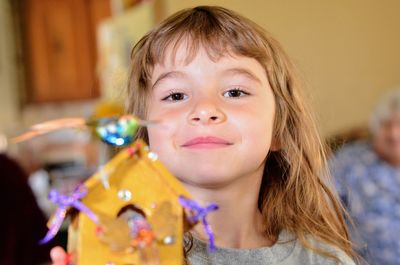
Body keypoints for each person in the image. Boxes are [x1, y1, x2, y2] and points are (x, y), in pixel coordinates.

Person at [51, 6, 356, 264]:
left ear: (279, 129)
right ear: (145, 135)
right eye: (176, 96)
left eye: (235, 91)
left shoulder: (325, 259)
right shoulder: (121, 252)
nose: (205, 109)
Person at [331, 89, 400, 265]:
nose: (393, 134)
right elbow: (317, 205)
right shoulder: (348, 161)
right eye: (386, 125)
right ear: (375, 127)